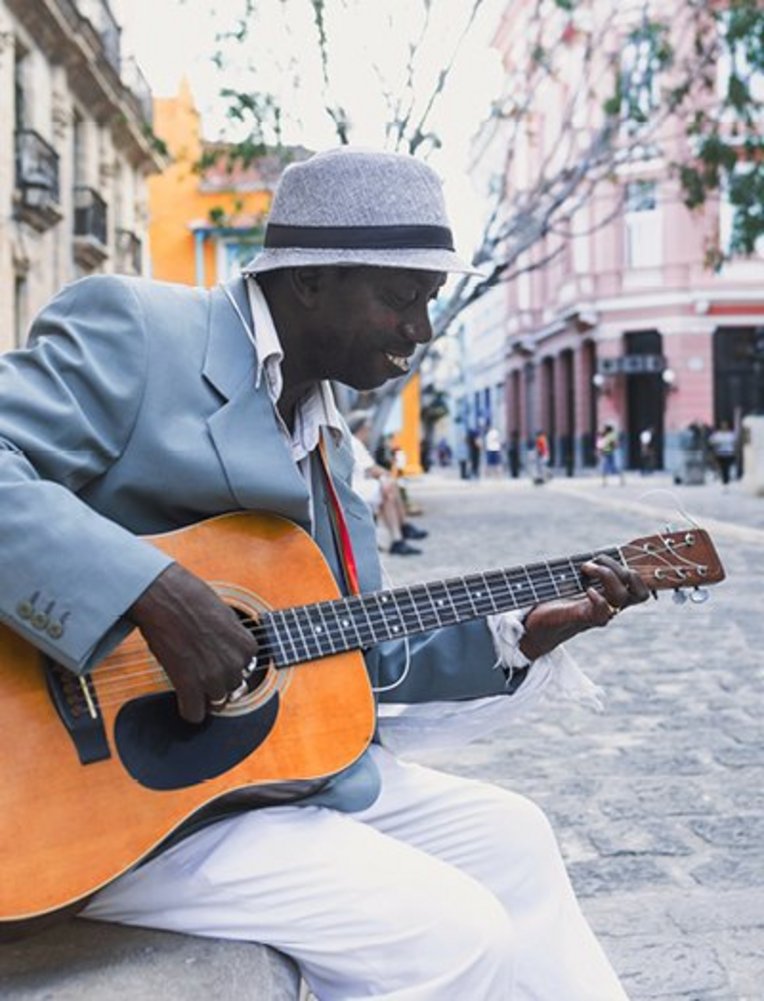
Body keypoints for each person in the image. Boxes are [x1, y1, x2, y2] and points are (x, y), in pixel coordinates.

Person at [0, 146, 648, 999]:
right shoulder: (137, 329)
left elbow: (351, 651)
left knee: (512, 833)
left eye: (430, 300)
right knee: (450, 935)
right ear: (309, 280)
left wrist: (516, 635)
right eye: (402, 297)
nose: (421, 329)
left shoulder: (327, 441)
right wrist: (150, 593)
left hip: (252, 780)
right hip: (100, 801)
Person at [348, 411, 427, 555]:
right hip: (355, 488)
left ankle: (399, 535)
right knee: (388, 486)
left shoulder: (353, 442)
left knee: (387, 489)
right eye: (369, 428)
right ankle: (400, 532)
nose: (370, 432)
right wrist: (386, 476)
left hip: (357, 485)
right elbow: (372, 469)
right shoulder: (354, 443)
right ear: (362, 428)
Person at [709, 420, 737, 489]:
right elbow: (711, 442)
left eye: (725, 425)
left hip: (729, 453)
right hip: (720, 453)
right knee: (723, 468)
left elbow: (735, 443)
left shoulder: (730, 434)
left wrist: (734, 451)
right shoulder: (717, 434)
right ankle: (724, 482)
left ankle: (726, 482)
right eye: (723, 425)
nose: (724, 427)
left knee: (727, 468)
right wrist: (716, 444)